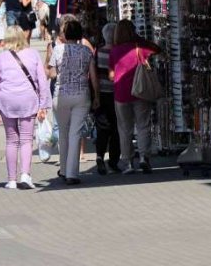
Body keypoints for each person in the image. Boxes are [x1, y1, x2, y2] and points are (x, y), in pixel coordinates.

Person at [0, 25, 51, 190]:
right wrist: (43, 104)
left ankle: (11, 180)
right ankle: (25, 174)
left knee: (11, 140)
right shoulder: (33, 54)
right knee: (26, 140)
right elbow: (42, 81)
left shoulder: (1, 58)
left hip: (7, 101)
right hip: (28, 101)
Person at [47, 19, 99, 185]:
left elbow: (52, 74)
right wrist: (97, 96)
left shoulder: (57, 50)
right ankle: (72, 173)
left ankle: (63, 169)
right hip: (81, 95)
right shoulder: (86, 51)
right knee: (75, 133)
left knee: (63, 132)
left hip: (61, 95)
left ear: (65, 34)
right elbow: (93, 77)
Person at [108, 19, 161, 174]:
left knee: (124, 129)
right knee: (143, 125)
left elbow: (111, 75)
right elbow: (157, 49)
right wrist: (139, 39)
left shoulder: (114, 51)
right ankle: (144, 157)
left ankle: (129, 162)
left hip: (121, 94)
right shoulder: (140, 48)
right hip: (140, 91)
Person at [94, 22, 122, 174]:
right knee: (116, 128)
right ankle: (113, 161)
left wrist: (95, 95)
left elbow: (94, 74)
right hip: (116, 93)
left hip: (101, 93)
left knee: (102, 127)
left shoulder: (98, 52)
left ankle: (99, 156)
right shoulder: (118, 52)